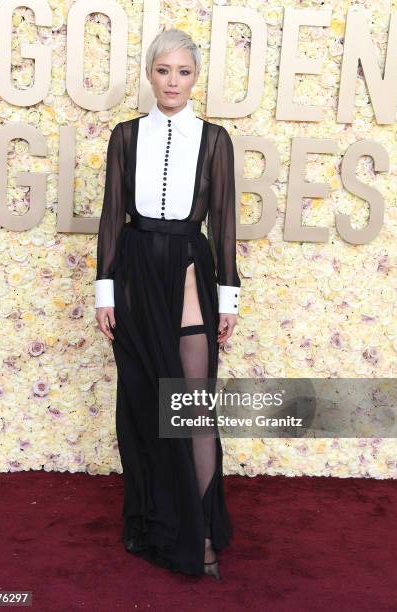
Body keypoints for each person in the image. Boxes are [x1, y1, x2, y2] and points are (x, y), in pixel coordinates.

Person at [95, 28, 241, 580]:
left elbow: (223, 221)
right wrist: (103, 291)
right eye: (163, 70)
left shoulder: (215, 139)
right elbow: (112, 216)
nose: (172, 81)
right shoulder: (125, 135)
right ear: (149, 74)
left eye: (182, 71)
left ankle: (200, 530)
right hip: (133, 269)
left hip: (186, 267)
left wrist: (227, 298)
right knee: (140, 406)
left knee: (192, 405)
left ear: (195, 77)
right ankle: (155, 522)